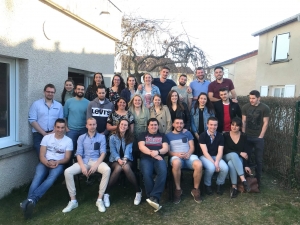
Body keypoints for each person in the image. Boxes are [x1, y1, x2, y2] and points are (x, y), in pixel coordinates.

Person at [20, 119, 73, 219]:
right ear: (54, 127)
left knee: (52, 177)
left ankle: (29, 202)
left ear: (65, 128)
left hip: (59, 164)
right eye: (58, 127)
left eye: (62, 127)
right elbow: (41, 155)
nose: (60, 130)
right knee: (38, 177)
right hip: (45, 162)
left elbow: (66, 158)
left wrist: (57, 162)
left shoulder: (68, 141)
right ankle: (30, 202)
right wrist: (47, 162)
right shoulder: (47, 138)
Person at [62, 118, 111, 213]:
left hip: (96, 161)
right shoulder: (81, 137)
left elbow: (103, 153)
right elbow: (78, 154)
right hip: (83, 161)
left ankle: (99, 199)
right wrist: (83, 167)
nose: (92, 126)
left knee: (107, 169)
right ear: (86, 126)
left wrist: (96, 165)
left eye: (94, 124)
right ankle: (73, 200)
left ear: (96, 125)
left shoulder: (101, 137)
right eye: (90, 124)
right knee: (67, 171)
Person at [104, 119, 142, 207]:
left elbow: (128, 149)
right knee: (118, 167)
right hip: (114, 160)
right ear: (119, 125)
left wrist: (124, 159)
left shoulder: (130, 137)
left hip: (127, 159)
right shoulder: (112, 137)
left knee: (125, 167)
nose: (123, 126)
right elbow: (113, 151)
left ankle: (138, 192)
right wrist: (118, 159)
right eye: (122, 124)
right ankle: (106, 194)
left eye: (125, 125)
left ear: (128, 127)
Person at [167, 118, 203, 204]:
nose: (179, 125)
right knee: (176, 163)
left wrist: (189, 153)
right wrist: (177, 154)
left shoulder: (188, 133)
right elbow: (168, 152)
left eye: (181, 123)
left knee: (199, 164)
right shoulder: (168, 135)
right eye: (177, 123)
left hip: (188, 156)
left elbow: (192, 147)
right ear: (173, 124)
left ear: (183, 124)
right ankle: (178, 189)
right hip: (176, 157)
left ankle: (195, 189)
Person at [138, 118, 168, 212]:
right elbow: (141, 147)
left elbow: (166, 148)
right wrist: (152, 153)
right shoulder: (143, 135)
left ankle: (153, 197)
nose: (153, 126)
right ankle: (153, 197)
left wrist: (158, 152)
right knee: (147, 173)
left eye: (155, 125)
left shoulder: (162, 135)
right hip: (146, 158)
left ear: (158, 126)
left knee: (163, 171)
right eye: (151, 125)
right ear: (148, 126)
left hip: (159, 158)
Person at [242, 90, 270, 187]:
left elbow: (265, 123)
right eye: (250, 98)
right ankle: (246, 179)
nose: (251, 100)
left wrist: (261, 136)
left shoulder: (265, 108)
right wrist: (243, 134)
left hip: (258, 138)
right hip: (247, 137)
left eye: (253, 98)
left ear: (259, 98)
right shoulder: (245, 107)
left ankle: (258, 180)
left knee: (259, 159)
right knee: (246, 157)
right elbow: (244, 121)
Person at [28, 84, 63, 156]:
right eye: (48, 91)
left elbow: (60, 121)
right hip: (39, 135)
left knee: (54, 155)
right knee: (42, 156)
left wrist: (53, 132)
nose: (50, 93)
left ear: (54, 93)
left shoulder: (58, 105)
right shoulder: (36, 104)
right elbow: (32, 120)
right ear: (44, 92)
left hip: (54, 134)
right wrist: (44, 133)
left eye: (52, 92)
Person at [199, 117, 229, 195]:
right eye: (211, 124)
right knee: (211, 168)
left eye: (215, 125)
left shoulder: (220, 136)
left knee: (225, 168)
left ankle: (219, 183)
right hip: (204, 156)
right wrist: (214, 163)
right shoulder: (202, 136)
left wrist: (217, 162)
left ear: (217, 125)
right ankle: (207, 185)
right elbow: (205, 152)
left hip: (216, 156)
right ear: (207, 125)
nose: (213, 127)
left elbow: (220, 152)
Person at [223, 117, 251, 198]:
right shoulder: (225, 135)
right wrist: (239, 153)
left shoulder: (244, 136)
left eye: (237, 126)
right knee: (233, 155)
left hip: (238, 160)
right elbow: (225, 150)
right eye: (232, 125)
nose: (234, 127)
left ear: (240, 127)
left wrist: (246, 165)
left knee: (231, 163)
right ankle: (243, 180)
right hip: (226, 156)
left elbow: (246, 152)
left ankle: (234, 187)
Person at [64, 83, 89, 155]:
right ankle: (68, 166)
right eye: (78, 89)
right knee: (69, 151)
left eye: (82, 89)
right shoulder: (69, 101)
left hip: (84, 130)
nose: (80, 91)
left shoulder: (88, 103)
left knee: (83, 151)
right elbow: (64, 116)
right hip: (71, 130)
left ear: (84, 91)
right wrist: (66, 128)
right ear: (75, 90)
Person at [128, 94, 150, 169]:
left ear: (142, 101)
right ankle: (134, 172)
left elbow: (149, 123)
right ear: (133, 101)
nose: (137, 102)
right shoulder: (129, 110)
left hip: (143, 136)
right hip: (132, 135)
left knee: (143, 154)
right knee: (133, 153)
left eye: (139, 100)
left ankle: (143, 171)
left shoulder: (146, 110)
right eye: (136, 100)